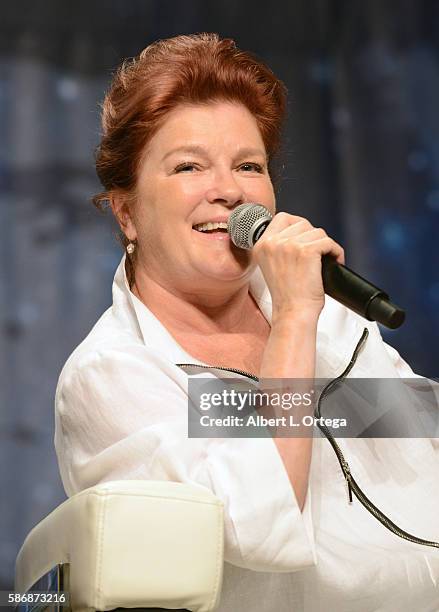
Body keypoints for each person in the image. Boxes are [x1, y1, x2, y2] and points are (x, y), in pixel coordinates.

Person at [54, 33, 439, 611]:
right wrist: (292, 324)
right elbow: (259, 525)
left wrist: (304, 317)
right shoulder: (113, 373)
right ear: (127, 211)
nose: (230, 191)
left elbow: (421, 451)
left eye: (249, 165)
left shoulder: (335, 321)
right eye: (189, 166)